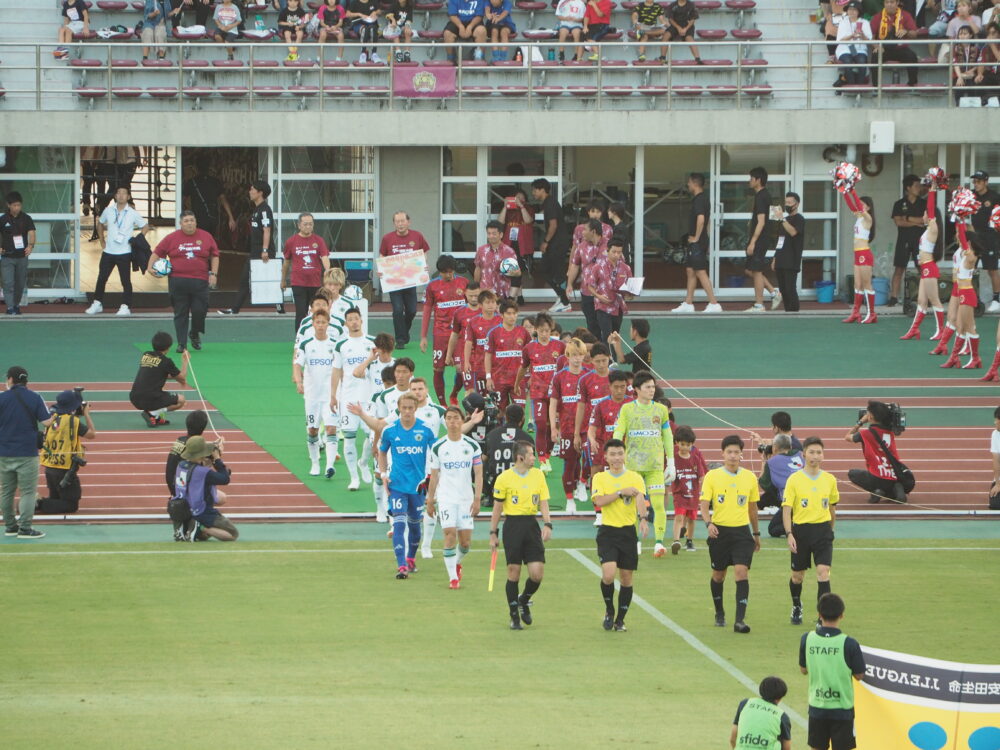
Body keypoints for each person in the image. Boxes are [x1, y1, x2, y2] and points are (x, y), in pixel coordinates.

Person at [700, 434, 761, 633]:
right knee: (719, 575)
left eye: (736, 452)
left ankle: (739, 620)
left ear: (741, 454)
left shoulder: (749, 477)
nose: (733, 456)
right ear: (723, 454)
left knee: (741, 572)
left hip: (742, 533)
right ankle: (719, 612)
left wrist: (756, 533)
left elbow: (752, 508)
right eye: (729, 452)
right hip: (720, 532)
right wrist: (708, 523)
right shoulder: (712, 476)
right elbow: (703, 504)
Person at [489, 440, 552, 630]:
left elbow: (544, 502)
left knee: (537, 574)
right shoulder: (504, 478)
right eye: (532, 454)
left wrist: (548, 524)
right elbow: (497, 508)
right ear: (520, 457)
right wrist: (493, 533)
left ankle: (524, 599)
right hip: (513, 527)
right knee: (513, 573)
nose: (534, 457)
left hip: (531, 526)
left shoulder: (538, 476)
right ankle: (514, 615)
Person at [612, 371, 674, 555]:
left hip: (655, 467)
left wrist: (671, 462)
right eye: (647, 387)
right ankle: (635, 542)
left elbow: (667, 436)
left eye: (653, 387)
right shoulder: (627, 409)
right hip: (633, 467)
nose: (651, 390)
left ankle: (659, 542)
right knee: (632, 505)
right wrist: (616, 455)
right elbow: (619, 431)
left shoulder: (661, 410)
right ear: (636, 389)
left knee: (658, 504)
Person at [592, 438, 649, 632]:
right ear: (606, 457)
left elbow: (640, 497)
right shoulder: (600, 478)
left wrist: (642, 518)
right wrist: (619, 492)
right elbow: (599, 501)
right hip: (607, 531)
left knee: (626, 578)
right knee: (608, 575)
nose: (617, 458)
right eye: (613, 454)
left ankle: (620, 620)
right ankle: (609, 609)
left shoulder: (635, 477)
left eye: (620, 453)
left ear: (625, 455)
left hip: (628, 533)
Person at [378, 393, 437, 578]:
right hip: (397, 485)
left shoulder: (426, 430)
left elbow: (436, 454)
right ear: (399, 407)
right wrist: (383, 474)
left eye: (411, 408)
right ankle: (401, 565)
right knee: (399, 524)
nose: (407, 411)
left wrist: (432, 477)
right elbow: (381, 452)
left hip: (418, 486)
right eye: (404, 408)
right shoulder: (390, 430)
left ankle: (411, 558)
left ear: (416, 408)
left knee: (414, 525)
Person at [783, 436, 839, 626]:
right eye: (812, 452)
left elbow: (832, 508)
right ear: (804, 454)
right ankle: (797, 605)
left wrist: (830, 530)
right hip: (801, 532)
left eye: (819, 452)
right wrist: (789, 533)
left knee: (823, 572)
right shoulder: (795, 479)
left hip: (822, 531)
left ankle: (822, 617)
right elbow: (787, 508)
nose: (816, 456)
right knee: (797, 576)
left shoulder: (829, 479)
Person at [799, 594, 866, 750]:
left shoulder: (807, 639)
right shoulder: (849, 643)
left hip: (817, 706)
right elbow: (859, 675)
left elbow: (803, 670)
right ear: (842, 615)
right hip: (842, 709)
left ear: (819, 615)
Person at [426, 407, 483, 589]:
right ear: (445, 422)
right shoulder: (438, 447)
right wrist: (430, 499)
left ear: (461, 420)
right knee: (449, 534)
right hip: (446, 498)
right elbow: (434, 476)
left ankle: (457, 562)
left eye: (455, 418)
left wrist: (477, 499)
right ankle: (453, 578)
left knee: (465, 543)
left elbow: (479, 474)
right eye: (449, 418)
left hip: (466, 499)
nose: (452, 422)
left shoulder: (472, 446)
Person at [149, 211, 220, 353]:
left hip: (200, 281)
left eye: (192, 220)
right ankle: (182, 343)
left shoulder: (206, 236)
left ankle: (194, 333)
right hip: (177, 281)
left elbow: (215, 255)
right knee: (180, 313)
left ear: (196, 222)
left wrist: (214, 274)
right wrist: (150, 267)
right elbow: (157, 252)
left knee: (200, 311)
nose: (189, 223)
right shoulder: (171, 238)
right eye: (186, 221)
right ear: (180, 223)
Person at [0, 366, 54, 538]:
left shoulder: (2, 398)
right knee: (28, 492)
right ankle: (25, 528)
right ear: (26, 380)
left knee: (6, 491)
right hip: (27, 453)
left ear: (10, 379)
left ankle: (10, 526)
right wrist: (55, 413)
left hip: (4, 452)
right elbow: (46, 422)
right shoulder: (35, 397)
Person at [87, 187, 151, 317]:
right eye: (118, 193)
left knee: (125, 281)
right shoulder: (108, 210)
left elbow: (145, 226)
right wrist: (101, 240)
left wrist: (139, 238)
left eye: (124, 193)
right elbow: (100, 223)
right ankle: (97, 303)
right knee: (102, 278)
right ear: (115, 196)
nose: (121, 195)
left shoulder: (132, 212)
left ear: (128, 197)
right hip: (109, 251)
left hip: (125, 252)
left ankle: (126, 306)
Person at [329, 307, 375, 488]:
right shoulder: (341, 345)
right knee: (349, 437)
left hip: (368, 397)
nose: (354, 322)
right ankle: (353, 478)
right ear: (346, 323)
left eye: (356, 318)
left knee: (372, 437)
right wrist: (333, 395)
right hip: (348, 396)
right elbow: (336, 371)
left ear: (361, 320)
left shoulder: (372, 343)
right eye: (350, 319)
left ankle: (363, 461)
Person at [219, 181, 278, 316]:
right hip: (255, 251)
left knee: (270, 279)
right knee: (245, 279)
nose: (250, 192)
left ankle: (279, 308)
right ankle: (235, 309)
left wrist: (265, 250)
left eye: (252, 189)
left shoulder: (264, 209)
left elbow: (267, 230)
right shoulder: (256, 209)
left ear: (260, 193)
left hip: (263, 252)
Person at [515, 312, 564, 473]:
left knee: (553, 428)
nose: (544, 334)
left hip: (556, 395)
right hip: (538, 393)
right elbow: (523, 368)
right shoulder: (529, 348)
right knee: (541, 424)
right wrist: (517, 384)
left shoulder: (560, 346)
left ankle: (547, 456)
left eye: (547, 330)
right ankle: (542, 458)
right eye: (541, 330)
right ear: (536, 330)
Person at [293, 309, 339, 478]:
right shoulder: (306, 344)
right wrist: (299, 382)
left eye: (323, 322)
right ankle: (315, 463)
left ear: (328, 324)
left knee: (331, 428)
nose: (320, 325)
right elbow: (297, 364)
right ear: (313, 324)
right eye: (317, 322)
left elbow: (340, 368)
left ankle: (330, 465)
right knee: (312, 430)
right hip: (312, 396)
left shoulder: (334, 344)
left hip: (330, 396)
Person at [900, 171, 946, 341]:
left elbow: (931, 208)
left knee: (934, 300)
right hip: (925, 267)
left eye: (926, 214)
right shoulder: (927, 230)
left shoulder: (933, 228)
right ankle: (914, 330)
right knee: (921, 301)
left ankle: (940, 330)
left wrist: (933, 188)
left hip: (929, 268)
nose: (924, 216)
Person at [37, 389, 97, 515]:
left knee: (56, 499)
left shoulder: (51, 418)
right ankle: (37, 503)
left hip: (49, 467)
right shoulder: (73, 422)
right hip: (64, 469)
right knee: (71, 505)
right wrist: (87, 414)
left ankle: (39, 503)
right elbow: (92, 434)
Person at [420, 254, 468, 405]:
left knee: (461, 370)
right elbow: (427, 310)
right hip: (441, 333)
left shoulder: (464, 282)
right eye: (444, 272)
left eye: (450, 271)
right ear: (439, 272)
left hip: (460, 334)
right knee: (438, 369)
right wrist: (423, 336)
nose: (448, 275)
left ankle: (454, 394)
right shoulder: (432, 286)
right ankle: (442, 404)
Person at [378, 211, 430, 349]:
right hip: (394, 282)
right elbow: (382, 255)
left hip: (410, 280)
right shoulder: (387, 238)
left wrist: (423, 263)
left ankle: (404, 333)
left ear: (408, 222)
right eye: (397, 221)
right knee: (398, 309)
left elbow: (424, 251)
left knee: (412, 310)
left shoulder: (417, 236)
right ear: (394, 223)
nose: (400, 224)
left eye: (402, 221)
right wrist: (382, 269)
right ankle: (400, 339)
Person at [549, 338, 589, 512]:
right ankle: (569, 499)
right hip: (567, 427)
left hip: (587, 428)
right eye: (573, 355)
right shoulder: (559, 377)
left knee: (589, 458)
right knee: (570, 463)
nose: (577, 359)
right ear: (567, 356)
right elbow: (552, 403)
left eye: (580, 355)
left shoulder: (589, 375)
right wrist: (553, 427)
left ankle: (582, 483)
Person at [175, 435, 238, 541]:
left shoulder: (181, 465)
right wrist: (217, 458)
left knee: (204, 537)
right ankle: (200, 527)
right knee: (232, 534)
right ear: (201, 455)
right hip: (200, 512)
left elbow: (200, 468)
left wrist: (213, 452)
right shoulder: (203, 473)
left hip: (183, 510)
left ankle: (191, 528)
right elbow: (225, 479)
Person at [673, 173, 721, 313]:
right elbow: (707, 222)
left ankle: (714, 303)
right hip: (698, 241)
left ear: (695, 183)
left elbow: (701, 220)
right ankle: (688, 303)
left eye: (689, 182)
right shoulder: (700, 199)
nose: (688, 185)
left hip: (697, 242)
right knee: (690, 270)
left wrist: (696, 238)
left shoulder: (700, 200)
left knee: (700, 271)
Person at [845, 400, 907, 504]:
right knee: (891, 482)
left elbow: (847, 437)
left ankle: (877, 490)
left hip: (876, 477)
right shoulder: (890, 432)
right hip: (894, 476)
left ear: (870, 417)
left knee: (852, 474)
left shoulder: (865, 434)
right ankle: (895, 489)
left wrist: (859, 423)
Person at [281, 212, 332, 330]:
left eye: (310, 224)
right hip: (298, 283)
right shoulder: (291, 241)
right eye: (305, 224)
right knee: (301, 312)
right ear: (299, 225)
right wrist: (283, 280)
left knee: (317, 311)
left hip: (315, 283)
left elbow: (324, 257)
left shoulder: (318, 240)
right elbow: (287, 262)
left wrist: (327, 271)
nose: (308, 227)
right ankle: (299, 340)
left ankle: (317, 336)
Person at [129, 331, 190, 428]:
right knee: (181, 400)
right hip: (149, 398)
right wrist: (185, 361)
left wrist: (175, 377)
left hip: (134, 398)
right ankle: (152, 413)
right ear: (168, 348)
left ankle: (155, 417)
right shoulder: (166, 362)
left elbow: (157, 373)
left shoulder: (146, 355)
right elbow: (182, 378)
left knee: (161, 392)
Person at [574, 343, 613, 492]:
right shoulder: (585, 380)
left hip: (615, 431)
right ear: (591, 361)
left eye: (604, 360)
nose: (601, 364)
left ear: (609, 358)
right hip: (594, 433)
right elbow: (581, 407)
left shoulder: (616, 379)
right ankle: (598, 510)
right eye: (597, 361)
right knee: (595, 468)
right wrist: (577, 433)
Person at [941, 231, 982, 369]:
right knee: (961, 326)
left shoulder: (971, 256)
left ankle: (974, 358)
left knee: (968, 327)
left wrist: (961, 219)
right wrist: (959, 218)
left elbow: (964, 240)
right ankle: (955, 358)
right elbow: (962, 239)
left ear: (969, 243)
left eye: (964, 241)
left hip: (967, 294)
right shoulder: (964, 255)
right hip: (962, 293)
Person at [165, 409, 209, 540]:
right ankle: (194, 523)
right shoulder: (195, 446)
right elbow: (203, 466)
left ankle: (182, 521)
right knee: (215, 494)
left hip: (173, 486)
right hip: (182, 489)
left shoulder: (179, 440)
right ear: (203, 428)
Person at [665, 424, 707, 556]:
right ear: (676, 443)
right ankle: (676, 541)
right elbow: (667, 474)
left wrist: (704, 485)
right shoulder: (673, 459)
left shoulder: (695, 458)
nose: (684, 448)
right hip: (679, 494)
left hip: (693, 494)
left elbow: (701, 476)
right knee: (679, 517)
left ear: (692, 445)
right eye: (682, 444)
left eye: (688, 445)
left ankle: (689, 540)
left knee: (692, 519)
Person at [533, 179, 572, 313]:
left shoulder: (550, 203)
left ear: (542, 190)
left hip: (557, 244)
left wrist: (546, 241)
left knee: (551, 271)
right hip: (557, 243)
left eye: (535, 190)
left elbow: (553, 225)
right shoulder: (549, 203)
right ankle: (561, 297)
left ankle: (565, 301)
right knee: (547, 270)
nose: (533, 193)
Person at [585, 239, 633, 346]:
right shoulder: (598, 266)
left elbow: (630, 286)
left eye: (619, 252)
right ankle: (608, 360)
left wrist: (630, 295)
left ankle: (613, 359)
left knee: (615, 335)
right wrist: (598, 296)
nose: (617, 255)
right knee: (607, 334)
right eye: (614, 252)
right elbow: (589, 285)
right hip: (603, 306)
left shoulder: (626, 268)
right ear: (607, 251)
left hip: (618, 306)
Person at [566, 218, 609, 339]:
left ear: (593, 232)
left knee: (607, 327)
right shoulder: (581, 246)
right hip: (587, 293)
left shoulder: (610, 246)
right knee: (592, 325)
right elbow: (575, 265)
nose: (582, 232)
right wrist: (569, 284)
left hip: (605, 294)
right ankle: (596, 353)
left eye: (585, 229)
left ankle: (609, 354)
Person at [483, 403, 534, 500]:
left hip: (496, 487)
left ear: (505, 417)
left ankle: (488, 495)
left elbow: (482, 459)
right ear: (522, 418)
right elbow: (530, 465)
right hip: (520, 488)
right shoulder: (528, 438)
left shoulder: (491, 435)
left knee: (481, 462)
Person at [889, 175, 926, 306]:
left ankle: (925, 297)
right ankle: (893, 297)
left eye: (919, 185)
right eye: (916, 186)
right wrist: (916, 222)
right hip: (903, 239)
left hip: (920, 241)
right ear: (908, 188)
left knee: (922, 269)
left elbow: (925, 220)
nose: (919, 188)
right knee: (899, 268)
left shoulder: (923, 203)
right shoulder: (899, 204)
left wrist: (908, 218)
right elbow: (898, 222)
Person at [758, 433, 804, 538]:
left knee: (773, 529)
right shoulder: (801, 454)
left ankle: (799, 527)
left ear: (774, 448)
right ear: (791, 446)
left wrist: (764, 461)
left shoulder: (772, 462)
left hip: (791, 502)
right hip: (809, 498)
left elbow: (763, 484)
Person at [745, 167, 778, 312]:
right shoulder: (766, 195)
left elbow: (762, 221)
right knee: (750, 270)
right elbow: (774, 218)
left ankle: (759, 304)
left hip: (760, 239)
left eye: (751, 178)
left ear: (758, 180)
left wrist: (753, 242)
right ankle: (774, 292)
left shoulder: (761, 197)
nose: (749, 181)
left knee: (756, 271)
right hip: (763, 238)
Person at [182, 156, 236, 244]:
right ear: (209, 167)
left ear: (196, 168)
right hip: (212, 218)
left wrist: (184, 216)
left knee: (199, 241)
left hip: (198, 218)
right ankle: (208, 256)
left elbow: (183, 200)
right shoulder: (215, 182)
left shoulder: (191, 182)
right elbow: (223, 200)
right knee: (209, 241)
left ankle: (202, 256)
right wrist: (231, 217)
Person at [730, 677, 792, 750]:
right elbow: (787, 748)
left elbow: (732, 738)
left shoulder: (745, 704)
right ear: (780, 697)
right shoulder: (782, 716)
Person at [842, 196, 877, 324]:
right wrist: (845, 191)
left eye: (863, 204)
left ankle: (871, 313)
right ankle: (856, 313)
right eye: (860, 203)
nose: (859, 205)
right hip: (857, 254)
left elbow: (856, 202)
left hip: (864, 253)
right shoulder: (859, 217)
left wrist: (852, 190)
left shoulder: (868, 218)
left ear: (868, 207)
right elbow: (852, 205)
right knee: (857, 285)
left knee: (867, 284)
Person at [446, 281, 482, 403]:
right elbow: (454, 335)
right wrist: (448, 354)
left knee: (483, 390)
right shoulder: (459, 313)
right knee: (470, 389)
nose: (473, 298)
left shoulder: (488, 312)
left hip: (483, 355)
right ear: (465, 294)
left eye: (476, 295)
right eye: (470, 295)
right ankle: (457, 397)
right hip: (464, 352)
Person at [0, 192, 35, 316]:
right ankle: (10, 307)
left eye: (19, 205)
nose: (17, 208)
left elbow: (31, 233)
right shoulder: (3, 219)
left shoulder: (26, 218)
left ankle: (15, 304)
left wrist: (30, 246)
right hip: (7, 257)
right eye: (14, 205)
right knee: (8, 283)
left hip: (22, 257)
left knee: (20, 283)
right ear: (8, 205)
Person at [970, 170, 1000, 312]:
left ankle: (997, 299)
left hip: (990, 236)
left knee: (992, 269)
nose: (976, 184)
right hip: (974, 236)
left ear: (986, 182)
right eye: (974, 181)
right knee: (970, 268)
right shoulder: (970, 196)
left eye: (979, 181)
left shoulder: (994, 197)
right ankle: (972, 298)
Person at [870, 0, 919, 87]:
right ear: (884, 4)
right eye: (887, 2)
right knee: (874, 57)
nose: (889, 5)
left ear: (897, 3)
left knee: (912, 57)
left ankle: (912, 85)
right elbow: (871, 37)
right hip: (883, 48)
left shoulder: (905, 15)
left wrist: (906, 31)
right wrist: (876, 46)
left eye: (892, 2)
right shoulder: (877, 17)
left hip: (900, 48)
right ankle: (876, 87)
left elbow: (914, 34)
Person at [463, 289, 500, 395]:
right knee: (482, 398)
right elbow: (468, 342)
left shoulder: (501, 321)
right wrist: (466, 362)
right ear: (480, 305)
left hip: (498, 367)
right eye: (488, 302)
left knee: (497, 399)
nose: (491, 305)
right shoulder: (473, 322)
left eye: (493, 302)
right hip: (479, 365)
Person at [773, 192, 805, 313]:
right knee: (783, 289)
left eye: (789, 203)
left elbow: (793, 232)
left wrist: (782, 219)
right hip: (781, 259)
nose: (787, 205)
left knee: (790, 288)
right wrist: (775, 258)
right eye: (785, 202)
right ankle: (788, 311)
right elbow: (780, 240)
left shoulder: (799, 219)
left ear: (797, 204)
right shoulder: (784, 220)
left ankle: (794, 312)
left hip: (792, 260)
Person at [499, 190, 533, 299]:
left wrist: (521, 206)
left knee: (518, 269)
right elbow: (500, 221)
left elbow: (528, 220)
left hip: (523, 244)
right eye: (515, 198)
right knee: (512, 269)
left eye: (520, 198)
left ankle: (512, 297)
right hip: (509, 243)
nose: (517, 200)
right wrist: (505, 206)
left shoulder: (528, 208)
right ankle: (519, 296)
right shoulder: (509, 210)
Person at [474, 220, 520, 300]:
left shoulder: (509, 251)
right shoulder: (481, 250)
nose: (491, 236)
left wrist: (506, 269)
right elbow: (478, 269)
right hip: (485, 292)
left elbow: (517, 274)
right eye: (489, 233)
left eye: (494, 233)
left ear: (501, 234)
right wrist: (476, 288)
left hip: (503, 293)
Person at [835, 1, 871, 87]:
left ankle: (860, 87)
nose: (851, 12)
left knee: (862, 62)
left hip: (860, 49)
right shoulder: (843, 22)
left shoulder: (865, 22)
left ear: (859, 12)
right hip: (845, 48)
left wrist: (862, 35)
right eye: (849, 9)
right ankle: (852, 86)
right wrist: (852, 36)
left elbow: (869, 40)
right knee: (847, 62)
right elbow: (840, 40)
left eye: (854, 10)